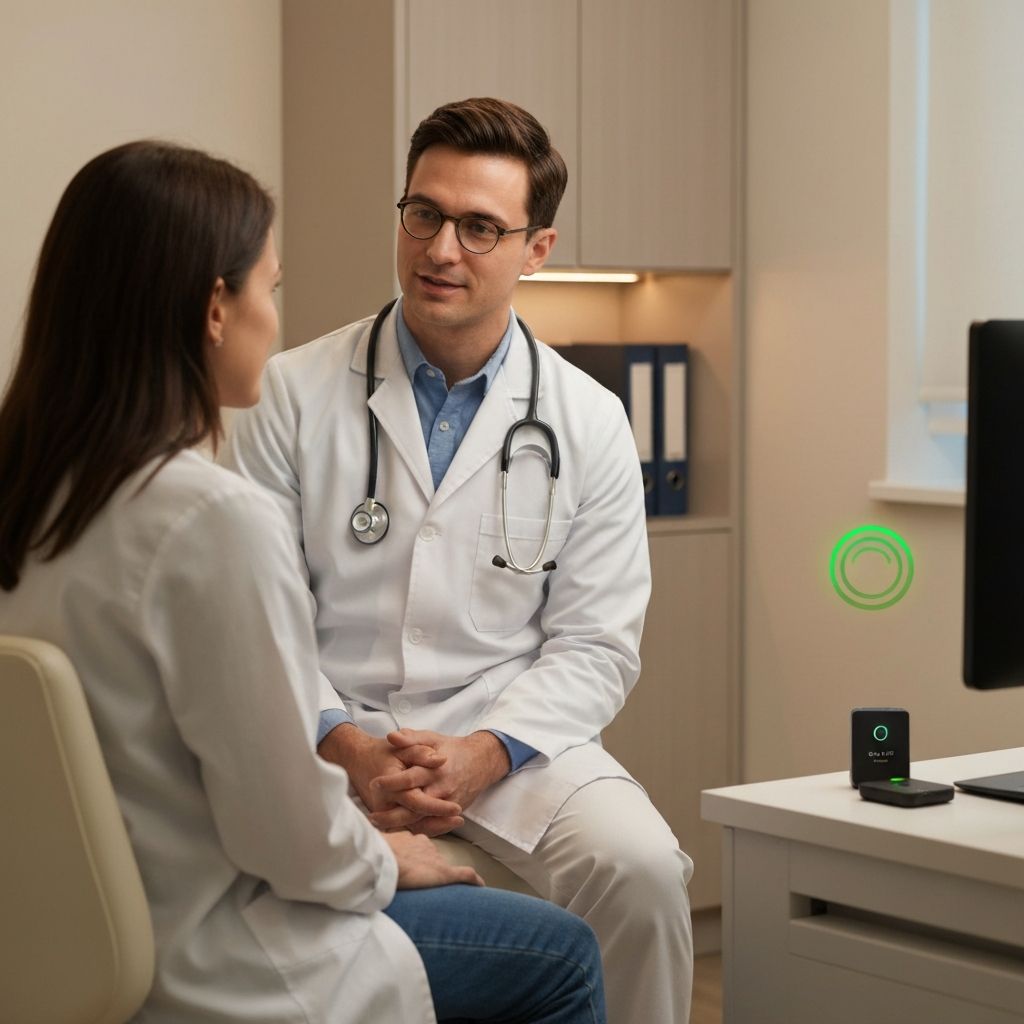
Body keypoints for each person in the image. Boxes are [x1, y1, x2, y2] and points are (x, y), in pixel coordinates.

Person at [0, 140, 607, 1024]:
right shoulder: (208, 520)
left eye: (478, 228)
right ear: (216, 309)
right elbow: (290, 839)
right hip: (218, 951)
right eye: (269, 289)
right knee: (561, 954)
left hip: (54, 939)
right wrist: (383, 856)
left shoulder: (31, 492)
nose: (274, 319)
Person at [222, 97, 694, 1023]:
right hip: (328, 734)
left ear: (537, 249)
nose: (441, 249)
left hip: (509, 737)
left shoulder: (590, 420)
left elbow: (597, 644)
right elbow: (255, 619)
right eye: (424, 215)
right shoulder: (288, 394)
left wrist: (484, 752)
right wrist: (345, 745)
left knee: (640, 875)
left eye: (480, 227)